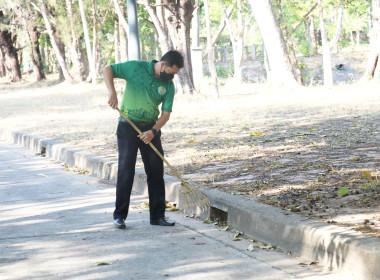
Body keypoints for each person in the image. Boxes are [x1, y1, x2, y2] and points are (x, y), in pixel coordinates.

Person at [103, 50, 184, 229]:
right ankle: (119, 216)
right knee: (126, 171)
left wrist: (153, 131)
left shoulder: (168, 86)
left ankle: (157, 216)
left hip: (151, 130)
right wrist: (112, 93)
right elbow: (107, 69)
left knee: (156, 172)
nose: (171, 78)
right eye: (171, 73)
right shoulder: (135, 67)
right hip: (127, 126)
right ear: (163, 65)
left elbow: (166, 114)